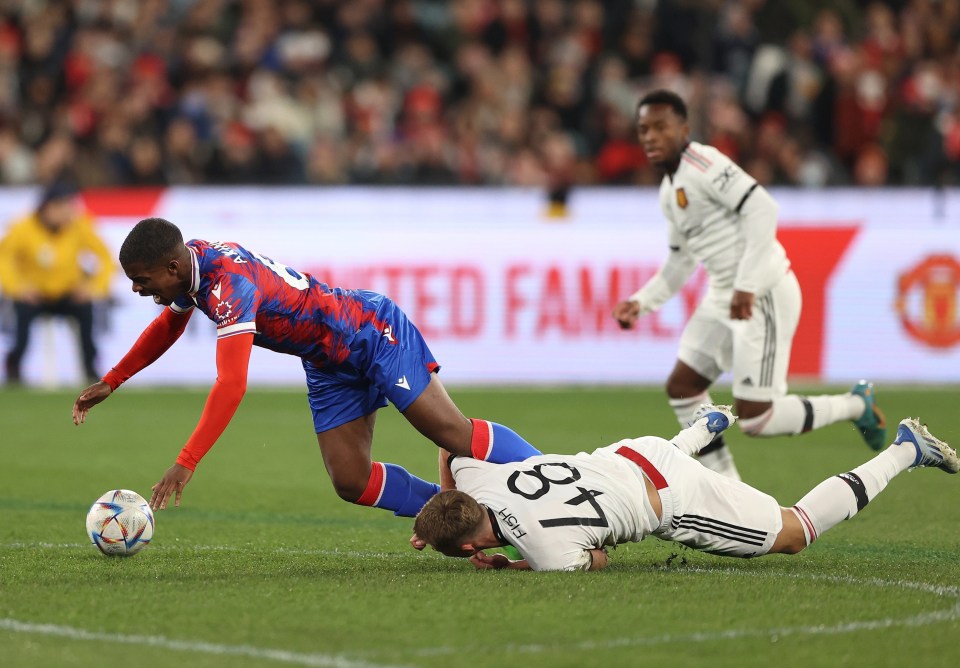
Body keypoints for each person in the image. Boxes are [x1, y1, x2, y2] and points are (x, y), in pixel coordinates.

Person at [71, 218, 540, 515]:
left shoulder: (228, 286)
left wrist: (185, 463)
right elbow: (169, 325)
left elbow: (232, 384)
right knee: (350, 481)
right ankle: (448, 514)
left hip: (370, 334)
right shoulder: (191, 264)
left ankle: (555, 476)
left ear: (171, 268)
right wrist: (113, 380)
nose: (136, 289)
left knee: (452, 435)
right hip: (326, 362)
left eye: (141, 280)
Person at [612, 89, 885, 480]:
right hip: (726, 295)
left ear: (683, 128)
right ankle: (728, 491)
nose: (650, 136)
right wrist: (641, 302)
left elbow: (762, 207)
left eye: (660, 127)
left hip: (762, 292)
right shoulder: (668, 191)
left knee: (758, 419)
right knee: (684, 387)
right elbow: (681, 259)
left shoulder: (704, 163)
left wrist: (747, 286)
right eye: (643, 130)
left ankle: (856, 405)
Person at [411, 408, 958, 572]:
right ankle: (701, 430)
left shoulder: (544, 549)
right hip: (635, 449)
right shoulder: (474, 478)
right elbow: (451, 443)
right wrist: (443, 498)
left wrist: (512, 566)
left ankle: (907, 449)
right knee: (636, 463)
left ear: (469, 549)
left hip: (675, 497)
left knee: (794, 532)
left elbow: (597, 559)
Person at [0, 181, 114, 385]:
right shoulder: (22, 227)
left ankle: (90, 367)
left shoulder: (78, 225)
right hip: (34, 295)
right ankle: (14, 366)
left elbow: (105, 257)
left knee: (86, 312)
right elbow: (4, 259)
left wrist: (93, 288)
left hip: (67, 293)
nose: (69, 211)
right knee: (21, 325)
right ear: (48, 207)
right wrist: (18, 289)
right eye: (64, 206)